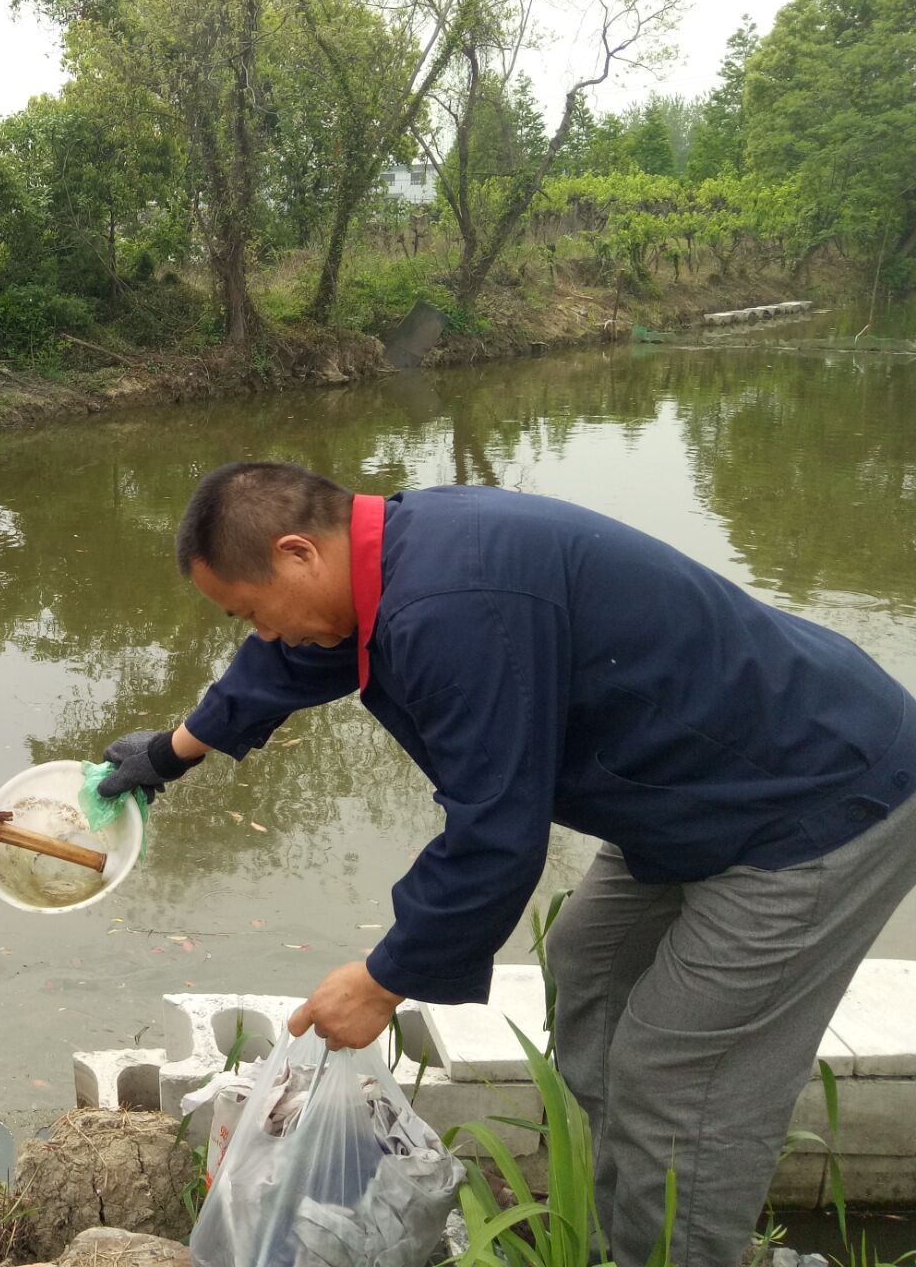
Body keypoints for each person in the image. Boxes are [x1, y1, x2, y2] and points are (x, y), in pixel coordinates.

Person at [98, 461, 916, 1267]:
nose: (263, 634)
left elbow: (496, 831)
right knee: (589, 966)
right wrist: (173, 753)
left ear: (298, 553)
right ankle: (619, 1230)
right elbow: (295, 656)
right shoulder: (389, 556)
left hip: (815, 800)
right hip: (703, 788)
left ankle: (681, 1249)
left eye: (254, 611)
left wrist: (385, 979)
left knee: (678, 1072)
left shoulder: (457, 609)